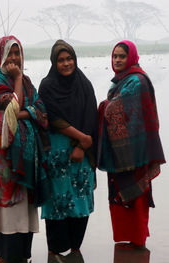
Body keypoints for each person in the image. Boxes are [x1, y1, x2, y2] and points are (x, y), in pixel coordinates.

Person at [0, 35, 49, 263]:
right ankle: (5, 256)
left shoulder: (29, 82)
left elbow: (41, 112)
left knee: (24, 208)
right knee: (9, 207)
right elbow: (12, 107)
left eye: (17, 53)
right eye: (9, 53)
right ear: (1, 56)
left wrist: (25, 110)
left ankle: (22, 257)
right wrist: (18, 78)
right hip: (6, 156)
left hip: (28, 156)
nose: (14, 58)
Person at [98, 40, 165, 248]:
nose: (117, 60)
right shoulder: (119, 81)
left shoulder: (137, 81)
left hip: (136, 151)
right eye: (115, 56)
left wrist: (102, 106)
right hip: (121, 150)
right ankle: (129, 239)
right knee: (120, 194)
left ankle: (138, 240)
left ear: (132, 57)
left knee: (136, 197)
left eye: (122, 56)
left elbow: (114, 109)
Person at [38, 40, 98, 262]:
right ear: (54, 63)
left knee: (80, 199)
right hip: (57, 155)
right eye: (61, 60)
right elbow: (51, 117)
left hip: (81, 154)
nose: (66, 63)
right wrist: (81, 138)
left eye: (69, 58)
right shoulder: (47, 86)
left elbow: (92, 116)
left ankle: (75, 248)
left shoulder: (84, 84)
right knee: (57, 201)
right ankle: (55, 249)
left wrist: (82, 146)